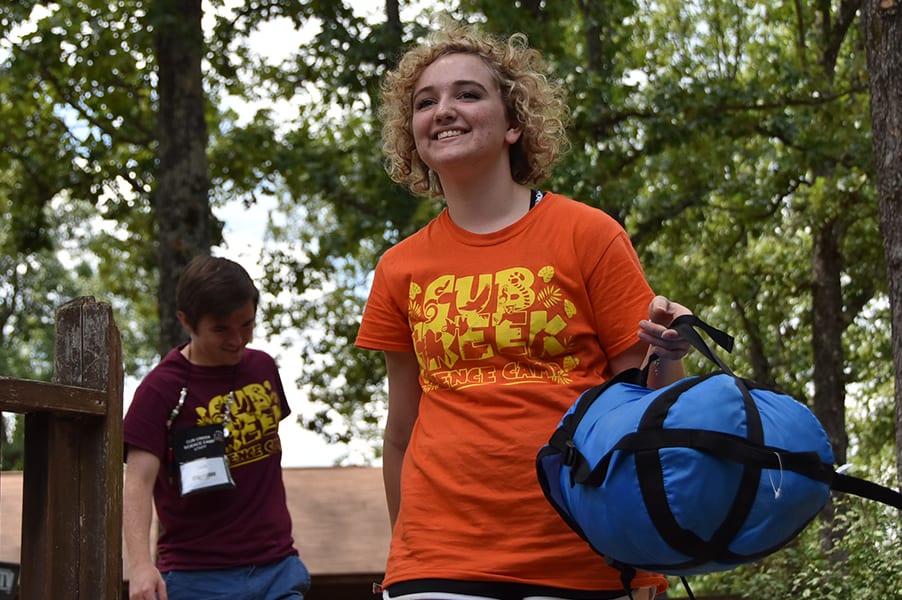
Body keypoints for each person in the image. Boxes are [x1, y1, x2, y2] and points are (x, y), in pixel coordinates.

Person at [355, 20, 693, 600]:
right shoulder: (398, 268)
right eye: (425, 101)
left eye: (467, 93)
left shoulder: (589, 234)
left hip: (584, 554)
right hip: (437, 562)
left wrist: (670, 351)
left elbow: (649, 407)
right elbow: (401, 433)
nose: (443, 109)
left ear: (514, 123)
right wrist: (400, 561)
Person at [123, 255, 310, 600]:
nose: (238, 340)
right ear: (186, 321)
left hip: (277, 568)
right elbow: (137, 481)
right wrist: (139, 566)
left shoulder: (263, 368)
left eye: (247, 325)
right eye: (222, 329)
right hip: (198, 578)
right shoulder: (159, 390)